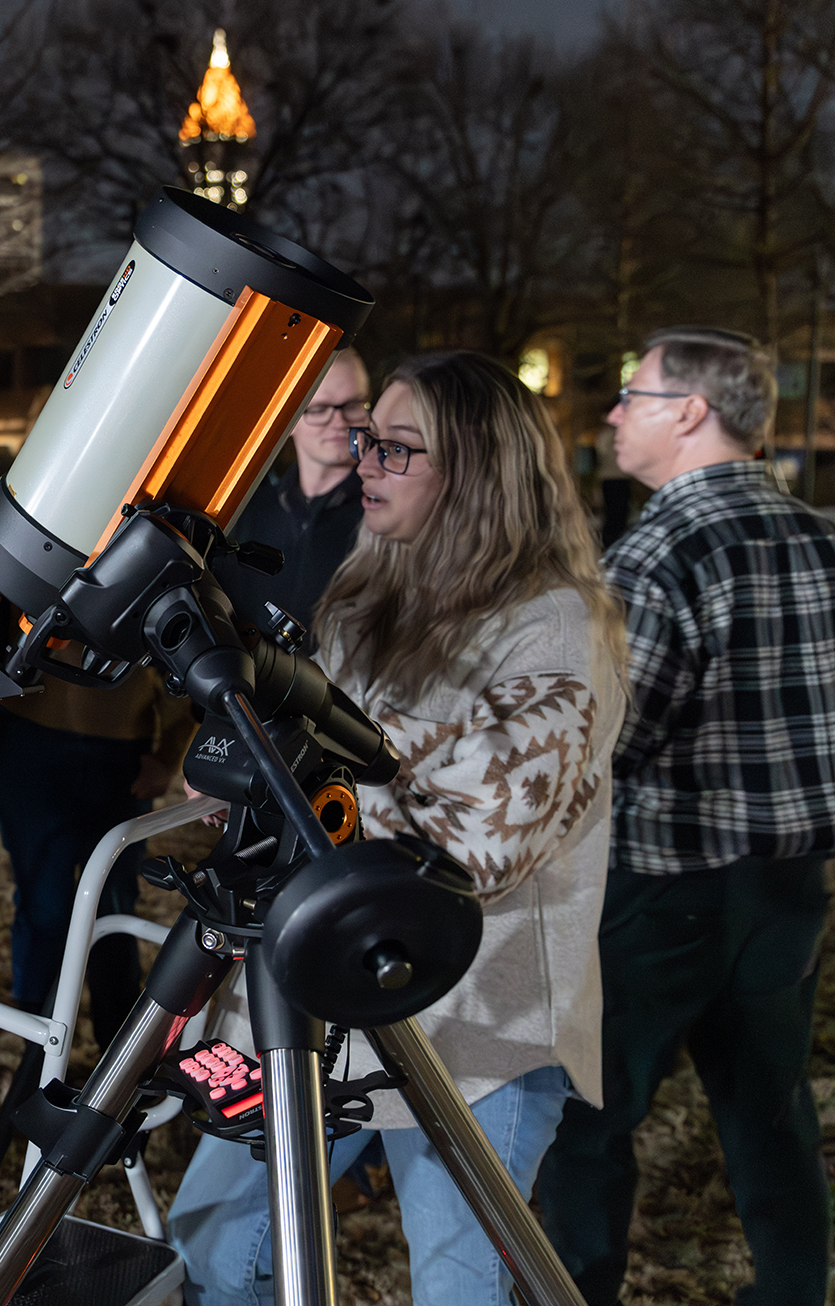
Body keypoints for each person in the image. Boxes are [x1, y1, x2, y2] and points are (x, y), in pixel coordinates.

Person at [169, 351, 627, 1306]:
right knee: (214, 1248)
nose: (361, 457)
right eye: (366, 438)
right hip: (326, 1001)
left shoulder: (554, 623)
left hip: (477, 1022)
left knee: (461, 1288)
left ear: (474, 473)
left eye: (395, 447)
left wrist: (304, 766)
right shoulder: (360, 596)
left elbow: (482, 843)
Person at [534, 328, 835, 1306]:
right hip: (790, 887)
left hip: (664, 890)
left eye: (632, 394)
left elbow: (613, 739)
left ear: (690, 413)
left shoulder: (657, 551)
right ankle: (794, 1289)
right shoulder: (820, 537)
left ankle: (574, 1292)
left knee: (589, 1116)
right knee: (770, 1108)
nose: (614, 412)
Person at [0, 499, 193, 1048]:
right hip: (30, 745)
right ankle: (34, 1034)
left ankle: (114, 1048)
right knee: (44, 901)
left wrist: (169, 754)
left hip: (117, 755)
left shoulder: (148, 523)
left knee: (114, 905)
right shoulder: (21, 516)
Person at [213, 347, 370, 640]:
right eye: (320, 408)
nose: (339, 422)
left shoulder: (383, 516)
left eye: (352, 405)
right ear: (291, 418)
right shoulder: (248, 512)